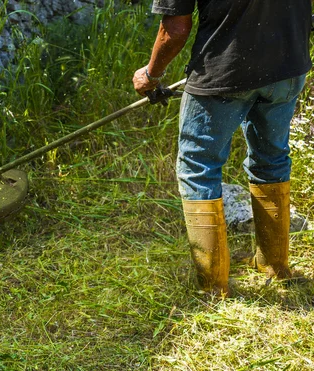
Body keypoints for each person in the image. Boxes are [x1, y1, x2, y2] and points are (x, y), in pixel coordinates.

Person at [133, 1, 312, 296]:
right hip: (288, 66)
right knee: (272, 159)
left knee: (197, 168)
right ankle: (275, 265)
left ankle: (214, 287)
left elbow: (175, 29)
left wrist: (150, 75)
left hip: (225, 72)